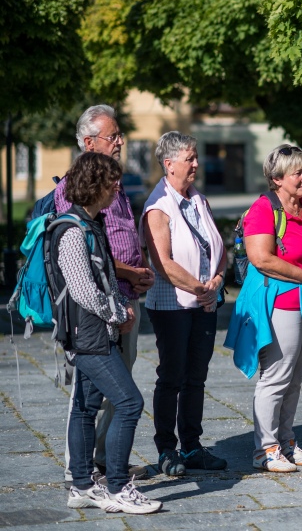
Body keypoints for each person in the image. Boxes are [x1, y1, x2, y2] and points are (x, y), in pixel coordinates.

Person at [56, 152, 161, 514]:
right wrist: (116, 313)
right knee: (130, 402)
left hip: (95, 332)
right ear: (94, 184)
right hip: (89, 336)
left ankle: (82, 486)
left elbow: (102, 279)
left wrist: (118, 307)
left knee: (85, 408)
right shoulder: (71, 230)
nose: (118, 185)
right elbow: (84, 290)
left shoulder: (92, 223)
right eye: (111, 180)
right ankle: (117, 486)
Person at [236, 145, 302, 473]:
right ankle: (265, 449)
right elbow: (261, 258)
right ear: (277, 179)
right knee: (276, 375)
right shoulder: (264, 209)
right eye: (298, 173)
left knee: (296, 375)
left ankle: (287, 442)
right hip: (279, 301)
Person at [141, 131, 227, 476]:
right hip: (172, 305)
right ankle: (166, 449)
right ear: (169, 164)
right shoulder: (158, 206)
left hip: (203, 303)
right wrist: (199, 288)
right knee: (172, 377)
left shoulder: (198, 200)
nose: (196, 163)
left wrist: (217, 280)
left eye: (195, 157)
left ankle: (192, 445)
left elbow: (216, 248)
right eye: (189, 158)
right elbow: (162, 262)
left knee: (196, 378)